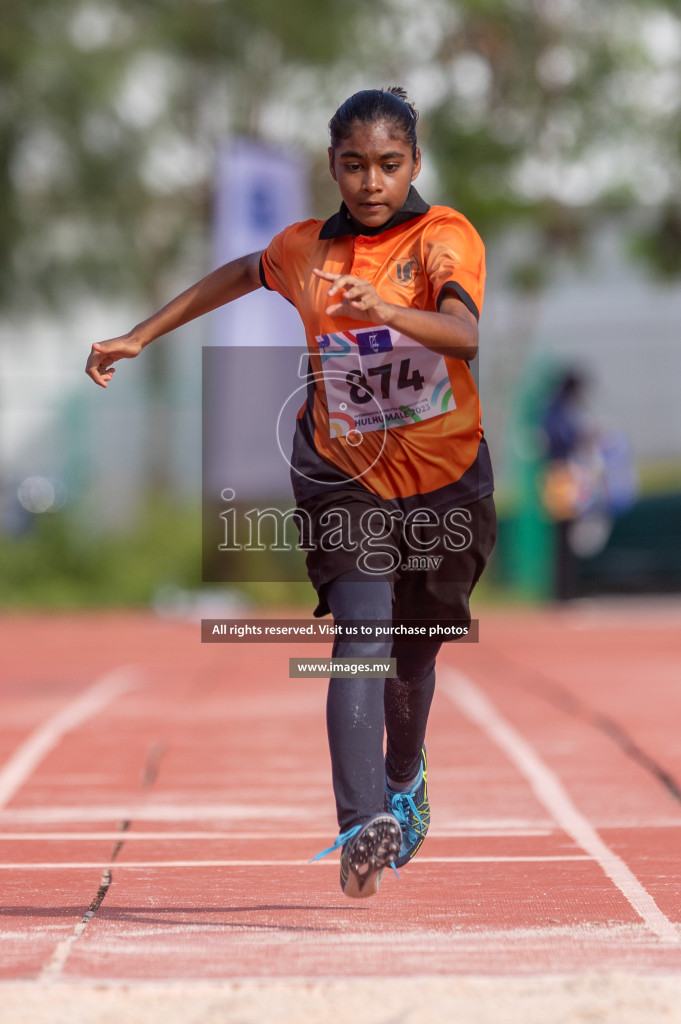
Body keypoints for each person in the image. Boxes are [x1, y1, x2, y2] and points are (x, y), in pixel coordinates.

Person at [85, 87, 496, 899]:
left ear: (413, 162)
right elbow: (240, 273)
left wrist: (386, 309)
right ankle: (361, 821)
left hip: (446, 480)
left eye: (387, 164)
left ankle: (402, 776)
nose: (370, 182)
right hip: (344, 476)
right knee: (362, 636)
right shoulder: (304, 250)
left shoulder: (442, 236)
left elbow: (465, 333)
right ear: (332, 167)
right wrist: (142, 331)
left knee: (412, 657)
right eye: (353, 165)